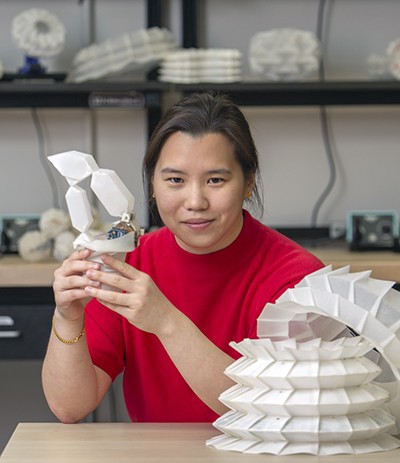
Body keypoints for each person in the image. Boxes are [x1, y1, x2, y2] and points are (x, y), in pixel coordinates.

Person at [42, 92, 323, 424]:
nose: (195, 201)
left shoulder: (298, 278)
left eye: (215, 180)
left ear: (249, 182)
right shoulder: (128, 261)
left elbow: (273, 412)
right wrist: (68, 317)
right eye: (175, 180)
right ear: (152, 185)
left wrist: (166, 322)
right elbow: (69, 407)